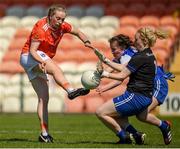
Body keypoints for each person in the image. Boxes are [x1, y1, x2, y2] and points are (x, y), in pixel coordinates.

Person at [20, 4, 91, 143]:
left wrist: (86, 41)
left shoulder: (62, 26)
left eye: (63, 19)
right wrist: (41, 61)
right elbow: (33, 51)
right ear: (50, 16)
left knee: (43, 99)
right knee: (56, 69)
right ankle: (70, 90)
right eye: (58, 18)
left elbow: (77, 32)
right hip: (29, 56)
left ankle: (44, 134)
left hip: (37, 59)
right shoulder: (40, 28)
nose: (61, 22)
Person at [92, 27, 172, 145]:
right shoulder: (142, 53)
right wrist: (104, 64)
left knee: (103, 112)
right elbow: (119, 67)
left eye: (114, 49)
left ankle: (127, 136)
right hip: (145, 90)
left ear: (122, 48)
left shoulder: (136, 56)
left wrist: (104, 73)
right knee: (138, 115)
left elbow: (122, 75)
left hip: (156, 85)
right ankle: (138, 134)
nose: (134, 42)